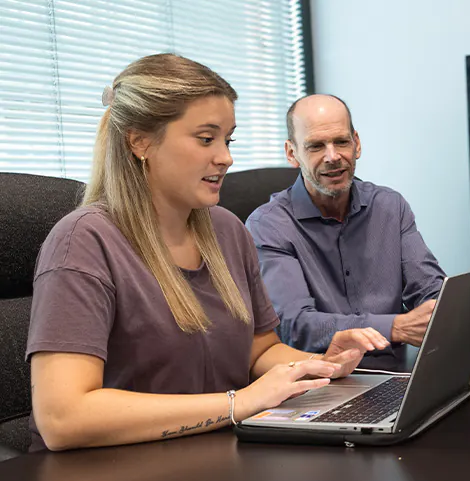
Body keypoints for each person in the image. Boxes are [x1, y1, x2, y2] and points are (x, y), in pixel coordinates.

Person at [27, 54, 390, 452]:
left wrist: (317, 365)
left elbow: (260, 350)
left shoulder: (228, 231)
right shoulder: (83, 241)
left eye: (227, 140)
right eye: (206, 139)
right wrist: (238, 404)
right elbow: (63, 418)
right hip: (109, 470)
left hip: (215, 453)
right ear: (139, 141)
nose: (226, 157)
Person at [246, 94, 445, 370]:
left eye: (341, 142)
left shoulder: (390, 206)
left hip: (396, 375)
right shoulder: (269, 225)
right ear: (292, 153)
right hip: (320, 379)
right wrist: (395, 327)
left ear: (357, 144)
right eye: (316, 146)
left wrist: (440, 311)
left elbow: (430, 289)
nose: (333, 157)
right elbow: (294, 324)